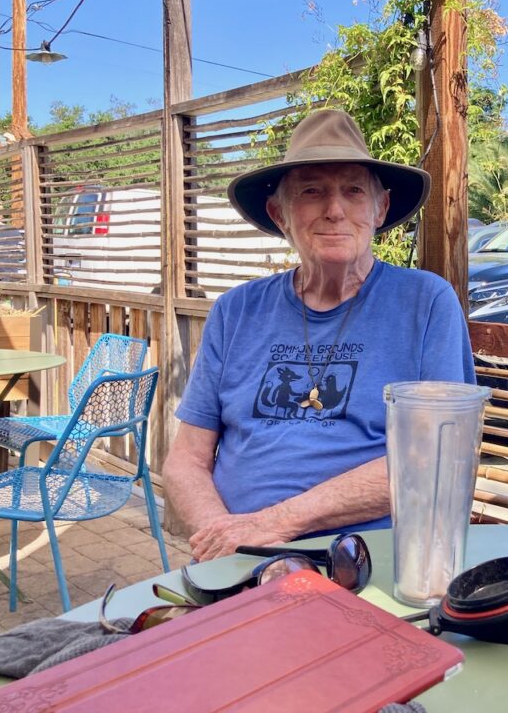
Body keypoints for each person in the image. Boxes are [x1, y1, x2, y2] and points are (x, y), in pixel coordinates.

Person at [163, 109, 476, 561]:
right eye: (312, 191)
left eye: (353, 190)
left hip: (363, 561)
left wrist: (273, 523)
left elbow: (435, 460)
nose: (334, 210)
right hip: (235, 558)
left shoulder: (424, 303)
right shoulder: (236, 310)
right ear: (279, 214)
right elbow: (185, 460)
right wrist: (228, 543)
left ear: (380, 208)